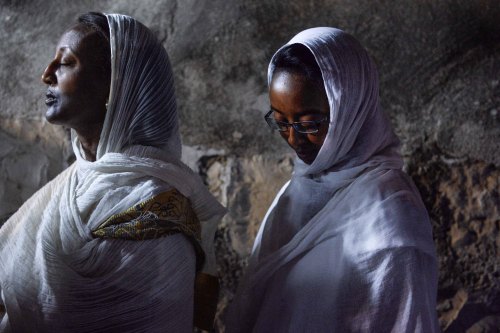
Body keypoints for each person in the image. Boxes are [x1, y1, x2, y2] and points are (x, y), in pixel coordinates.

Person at [0, 12, 225, 332]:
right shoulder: (73, 183)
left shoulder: (156, 213)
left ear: (114, 87)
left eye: (65, 63)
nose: (46, 75)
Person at [226, 28, 439, 332]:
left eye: (309, 123)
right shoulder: (299, 190)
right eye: (280, 121)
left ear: (350, 109)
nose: (292, 138)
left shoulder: (390, 222)